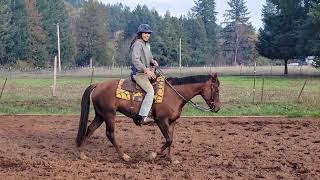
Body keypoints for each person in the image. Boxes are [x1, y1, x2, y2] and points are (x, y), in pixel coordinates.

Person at [130, 24, 158, 124]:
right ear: (140, 33)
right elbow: (135, 60)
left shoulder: (147, 45)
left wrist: (153, 62)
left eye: (149, 33)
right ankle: (143, 117)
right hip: (138, 74)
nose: (147, 35)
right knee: (150, 91)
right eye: (145, 33)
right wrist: (146, 69)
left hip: (147, 73)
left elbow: (149, 58)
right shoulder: (138, 44)